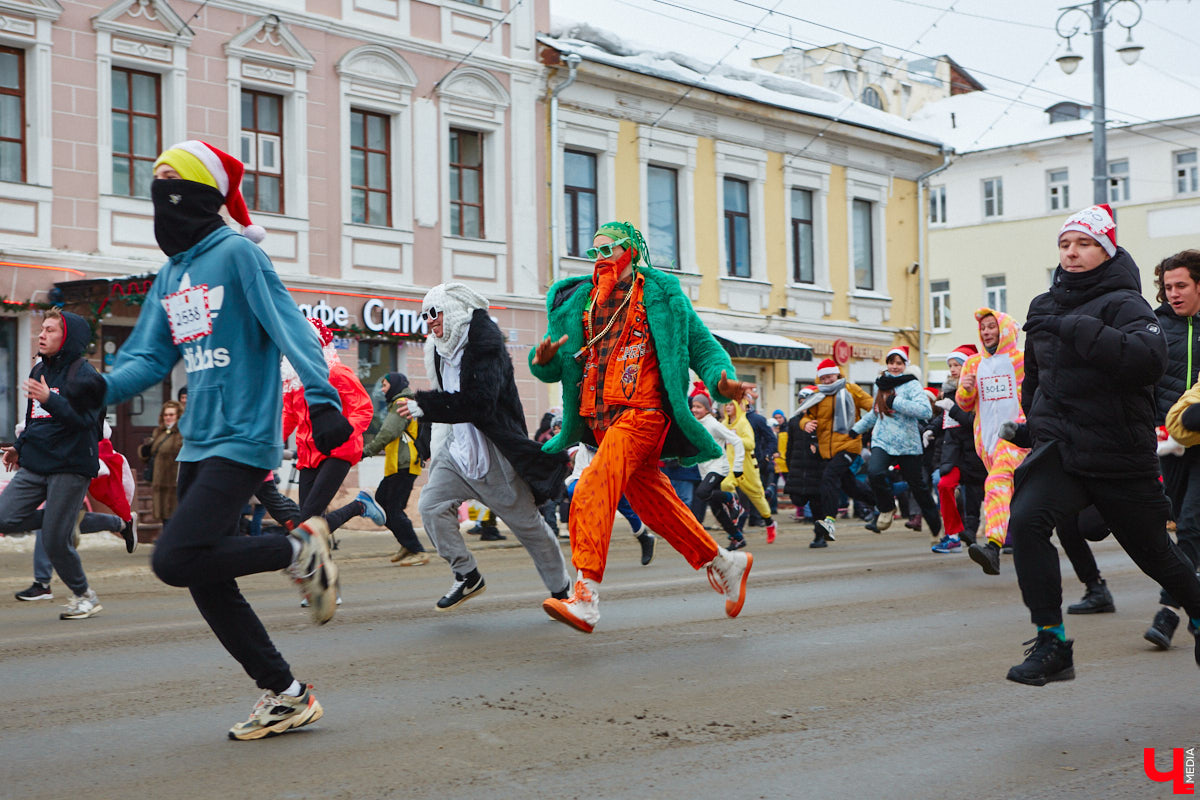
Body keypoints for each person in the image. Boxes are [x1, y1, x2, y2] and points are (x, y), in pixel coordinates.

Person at [103, 140, 353, 739]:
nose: (162, 192)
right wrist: (95, 390)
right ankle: (287, 694)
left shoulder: (238, 254)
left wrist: (323, 401)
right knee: (205, 579)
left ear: (203, 192)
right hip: (197, 443)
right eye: (155, 180)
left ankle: (297, 549)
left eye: (173, 181)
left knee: (173, 559)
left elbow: (290, 325)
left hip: (241, 438)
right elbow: (148, 356)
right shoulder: (172, 273)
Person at [1003, 203, 1200, 686]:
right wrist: (1033, 426)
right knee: (1026, 520)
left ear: (1106, 249)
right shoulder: (1043, 304)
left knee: (1157, 554)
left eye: (1084, 244)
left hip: (1117, 452)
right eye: (1065, 244)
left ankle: (1196, 613)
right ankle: (1052, 642)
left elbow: (1145, 362)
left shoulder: (1127, 304)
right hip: (1063, 447)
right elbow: (1037, 378)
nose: (1072, 253)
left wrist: (1077, 328)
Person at [530, 220, 754, 633]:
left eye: (607, 250)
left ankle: (586, 595)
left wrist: (722, 381)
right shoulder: (579, 301)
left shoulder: (661, 294)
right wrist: (542, 359)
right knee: (656, 507)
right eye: (593, 252)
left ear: (630, 251)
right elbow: (554, 362)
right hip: (600, 424)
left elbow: (702, 347)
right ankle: (726, 562)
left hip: (643, 414)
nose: (599, 259)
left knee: (592, 488)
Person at [400, 282, 572, 611]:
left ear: (449, 311)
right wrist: (432, 448)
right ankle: (467, 574)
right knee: (431, 507)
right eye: (424, 316)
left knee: (529, 527)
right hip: (458, 452)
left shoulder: (485, 345)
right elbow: (441, 404)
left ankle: (563, 590)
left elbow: (479, 404)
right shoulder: (435, 349)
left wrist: (425, 406)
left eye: (433, 313)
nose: (430, 322)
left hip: (494, 455)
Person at [0, 310, 109, 619]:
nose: (42, 335)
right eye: (42, 329)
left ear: (68, 338)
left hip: (71, 466)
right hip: (37, 463)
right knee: (3, 517)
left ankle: (85, 595)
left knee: (54, 540)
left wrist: (51, 398)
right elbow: (34, 419)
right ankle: (60, 518)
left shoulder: (87, 377)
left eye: (50, 330)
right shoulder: (39, 371)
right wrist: (18, 448)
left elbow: (87, 423)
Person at [277, 317, 386, 545]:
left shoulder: (337, 374)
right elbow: (289, 417)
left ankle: (358, 507)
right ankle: (358, 507)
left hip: (338, 452)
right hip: (308, 457)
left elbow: (363, 408)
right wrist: (271, 443)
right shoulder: (294, 384)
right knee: (310, 521)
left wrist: (342, 434)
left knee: (308, 521)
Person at [1146, 250, 1200, 648]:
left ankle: (1169, 612)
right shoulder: (1153, 327)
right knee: (1180, 526)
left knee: (1193, 524)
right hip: (1170, 443)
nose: (1173, 294)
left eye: (1181, 285)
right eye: (1167, 287)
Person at [957, 308, 1030, 575]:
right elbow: (965, 405)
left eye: (992, 327)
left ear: (1005, 330)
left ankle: (992, 547)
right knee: (1018, 498)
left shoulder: (1021, 360)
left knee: (996, 483)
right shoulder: (973, 364)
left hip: (1016, 437)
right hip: (986, 441)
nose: (987, 332)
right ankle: (1031, 542)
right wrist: (965, 388)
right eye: (984, 328)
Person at [851, 346, 941, 538]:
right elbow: (876, 413)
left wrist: (896, 402)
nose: (894, 366)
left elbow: (925, 411)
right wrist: (856, 429)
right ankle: (887, 508)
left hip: (907, 443)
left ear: (905, 365)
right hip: (882, 440)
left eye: (899, 363)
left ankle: (934, 519)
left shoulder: (912, 385)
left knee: (917, 486)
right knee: (874, 473)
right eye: (891, 362)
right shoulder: (881, 385)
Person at [800, 358, 876, 541]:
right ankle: (881, 503)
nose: (827, 380)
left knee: (829, 477)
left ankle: (829, 521)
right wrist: (806, 424)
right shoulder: (817, 395)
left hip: (849, 444)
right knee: (850, 486)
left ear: (837, 373)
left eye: (830, 376)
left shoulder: (851, 389)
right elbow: (805, 415)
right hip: (827, 450)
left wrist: (863, 427)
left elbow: (872, 407)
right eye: (823, 378)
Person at [363, 372, 430, 567]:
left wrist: (366, 451)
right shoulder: (399, 402)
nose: (382, 389)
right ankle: (407, 544)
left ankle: (417, 550)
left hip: (405, 463)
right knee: (383, 504)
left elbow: (388, 432)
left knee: (391, 507)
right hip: (398, 463)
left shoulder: (402, 403)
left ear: (395, 385)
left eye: (384, 385)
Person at [929, 346, 986, 553]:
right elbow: (945, 420)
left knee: (974, 497)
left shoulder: (978, 388)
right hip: (953, 453)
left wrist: (951, 408)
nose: (953, 369)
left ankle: (994, 534)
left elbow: (974, 422)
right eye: (951, 365)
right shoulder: (949, 390)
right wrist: (930, 429)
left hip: (974, 453)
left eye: (957, 365)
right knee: (944, 485)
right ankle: (952, 535)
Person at [566, 443, 657, 565]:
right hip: (585, 467)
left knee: (624, 506)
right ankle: (589, 548)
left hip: (609, 464)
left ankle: (644, 537)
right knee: (574, 491)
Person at [688, 390, 746, 548]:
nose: (694, 410)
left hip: (718, 468)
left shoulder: (713, 424)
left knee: (702, 493)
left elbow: (737, 441)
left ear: (707, 409)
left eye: (699, 407)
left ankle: (731, 499)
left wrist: (738, 466)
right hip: (706, 470)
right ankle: (737, 537)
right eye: (693, 406)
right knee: (716, 510)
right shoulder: (696, 424)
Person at [722, 398, 777, 544]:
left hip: (749, 465)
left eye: (731, 404)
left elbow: (752, 443)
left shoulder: (750, 421)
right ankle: (737, 530)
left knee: (757, 497)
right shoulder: (723, 423)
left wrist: (767, 456)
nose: (728, 407)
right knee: (725, 486)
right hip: (731, 466)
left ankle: (769, 522)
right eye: (726, 404)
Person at [785, 386, 829, 547]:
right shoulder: (794, 421)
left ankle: (820, 536)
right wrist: (789, 466)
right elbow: (789, 446)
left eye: (807, 402)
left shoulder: (820, 421)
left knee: (817, 505)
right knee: (797, 498)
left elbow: (828, 442)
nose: (803, 405)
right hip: (798, 468)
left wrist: (817, 447)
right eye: (801, 402)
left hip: (816, 469)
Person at [139, 400, 183, 524]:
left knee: (174, 514)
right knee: (164, 516)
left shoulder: (181, 433)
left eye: (171, 415)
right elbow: (149, 454)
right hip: (159, 480)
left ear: (178, 416)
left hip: (174, 481)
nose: (168, 418)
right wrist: (145, 449)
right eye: (165, 415)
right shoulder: (159, 432)